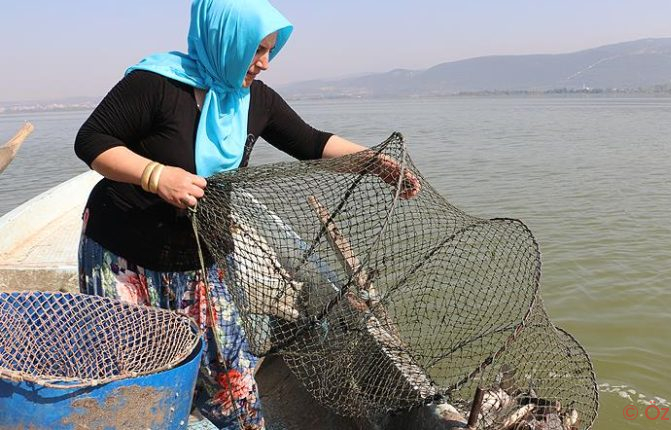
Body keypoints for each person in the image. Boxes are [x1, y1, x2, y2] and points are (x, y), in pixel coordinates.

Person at [74, 0, 418, 428]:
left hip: (203, 257)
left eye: (271, 51)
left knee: (232, 380)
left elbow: (311, 142)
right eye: (257, 51)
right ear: (225, 41)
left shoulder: (254, 100)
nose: (266, 63)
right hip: (123, 255)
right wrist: (155, 174)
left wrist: (376, 163)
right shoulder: (154, 85)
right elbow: (91, 141)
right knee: (130, 371)